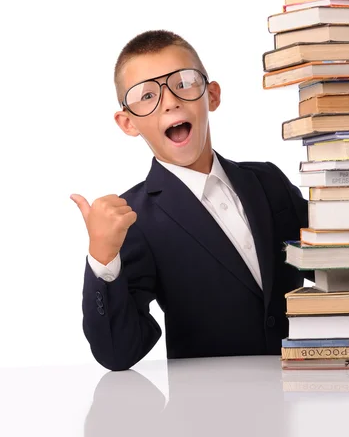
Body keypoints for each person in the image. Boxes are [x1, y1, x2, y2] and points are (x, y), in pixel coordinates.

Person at [71, 30, 311, 371]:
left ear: (211, 96)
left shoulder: (268, 181)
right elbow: (118, 353)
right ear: (128, 122)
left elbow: (336, 265)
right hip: (209, 414)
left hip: (303, 397)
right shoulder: (134, 219)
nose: (170, 101)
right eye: (146, 95)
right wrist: (102, 257)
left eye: (183, 83)